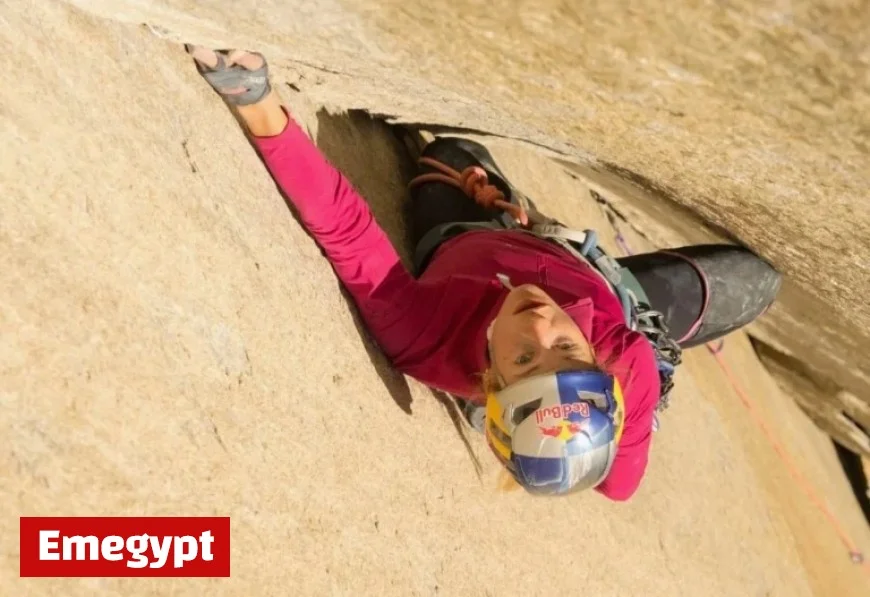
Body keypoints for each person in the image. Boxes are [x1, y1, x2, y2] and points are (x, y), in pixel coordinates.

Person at [185, 46, 781, 500]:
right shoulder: (625, 362)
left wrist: (255, 100)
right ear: (595, 362)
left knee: (445, 158)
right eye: (566, 352)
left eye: (524, 359)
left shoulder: (424, 336)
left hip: (467, 239)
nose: (542, 324)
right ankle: (518, 226)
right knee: (754, 276)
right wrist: (584, 430)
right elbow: (619, 484)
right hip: (608, 291)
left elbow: (345, 228)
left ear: (490, 381)